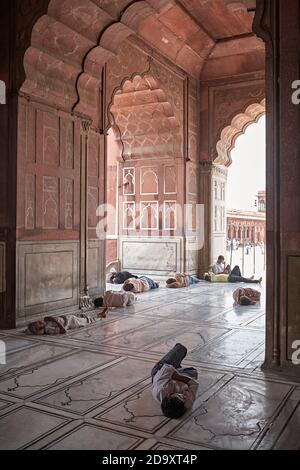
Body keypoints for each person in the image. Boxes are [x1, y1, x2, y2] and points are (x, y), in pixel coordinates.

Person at [151, 343, 199, 419]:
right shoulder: (186, 403)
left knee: (181, 349)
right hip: (173, 376)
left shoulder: (160, 389)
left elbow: (167, 369)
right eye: (184, 399)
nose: (185, 396)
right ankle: (177, 368)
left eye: (180, 396)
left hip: (160, 371)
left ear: (170, 394)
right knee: (193, 372)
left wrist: (177, 376)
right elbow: (194, 384)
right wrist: (178, 376)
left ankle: (177, 366)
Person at [27, 309, 108, 335]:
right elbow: (63, 331)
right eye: (39, 323)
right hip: (72, 323)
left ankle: (98, 314)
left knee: (84, 315)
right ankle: (100, 316)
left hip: (68, 318)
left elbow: (47, 317)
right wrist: (57, 322)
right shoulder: (48, 329)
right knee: (87, 320)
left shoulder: (46, 323)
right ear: (40, 328)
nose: (41, 321)